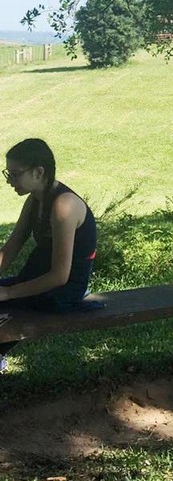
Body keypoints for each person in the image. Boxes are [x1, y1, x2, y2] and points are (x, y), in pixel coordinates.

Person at [0, 138, 97, 372]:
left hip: (63, 289)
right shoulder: (35, 200)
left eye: (15, 174)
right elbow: (12, 246)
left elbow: (60, 276)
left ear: (38, 172)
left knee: (10, 304)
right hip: (39, 277)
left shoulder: (64, 206)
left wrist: (9, 292)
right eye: (7, 174)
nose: (9, 181)